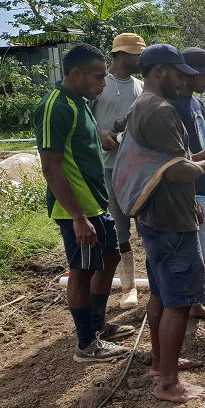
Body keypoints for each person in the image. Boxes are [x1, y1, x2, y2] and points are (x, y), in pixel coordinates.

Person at [124, 43, 205, 402]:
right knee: (180, 302)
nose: (184, 81)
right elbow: (178, 171)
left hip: (156, 216)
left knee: (160, 293)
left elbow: (165, 161)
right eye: (178, 73)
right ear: (160, 72)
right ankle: (168, 383)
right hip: (170, 222)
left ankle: (159, 362)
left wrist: (195, 157)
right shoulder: (161, 111)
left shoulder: (142, 106)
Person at [34, 43, 134, 362]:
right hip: (77, 209)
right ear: (75, 74)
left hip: (95, 203)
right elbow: (50, 166)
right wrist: (78, 217)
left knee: (110, 258)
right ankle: (86, 344)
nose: (103, 84)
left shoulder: (80, 101)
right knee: (81, 270)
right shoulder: (55, 106)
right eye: (98, 77)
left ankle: (97, 324)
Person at [169, 47, 205, 325]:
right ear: (187, 74)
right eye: (203, 74)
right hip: (192, 189)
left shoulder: (197, 104)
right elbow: (179, 159)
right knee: (195, 252)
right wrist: (189, 198)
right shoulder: (175, 107)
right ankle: (192, 308)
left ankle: (195, 304)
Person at [90, 32, 146, 309]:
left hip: (136, 167)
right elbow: (85, 120)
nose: (141, 59)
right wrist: (99, 134)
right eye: (137, 54)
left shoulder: (140, 86)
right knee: (118, 228)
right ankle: (129, 285)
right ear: (122, 55)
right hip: (108, 167)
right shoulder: (100, 85)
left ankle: (150, 280)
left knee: (145, 223)